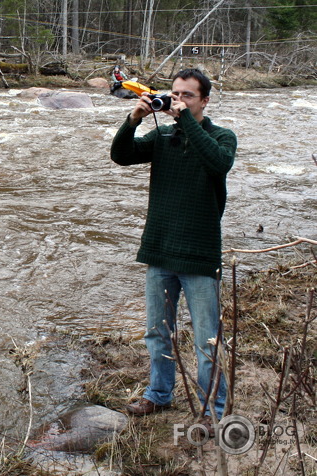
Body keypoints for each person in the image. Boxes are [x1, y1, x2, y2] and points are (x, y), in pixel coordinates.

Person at [110, 69, 237, 430]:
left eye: (188, 96)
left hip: (199, 253)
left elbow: (218, 162)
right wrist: (133, 119)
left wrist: (185, 120)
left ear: (205, 101)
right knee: (156, 331)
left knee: (206, 341)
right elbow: (121, 155)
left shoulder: (221, 136)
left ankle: (213, 411)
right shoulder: (163, 135)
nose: (178, 100)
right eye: (175, 93)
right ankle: (159, 394)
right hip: (160, 249)